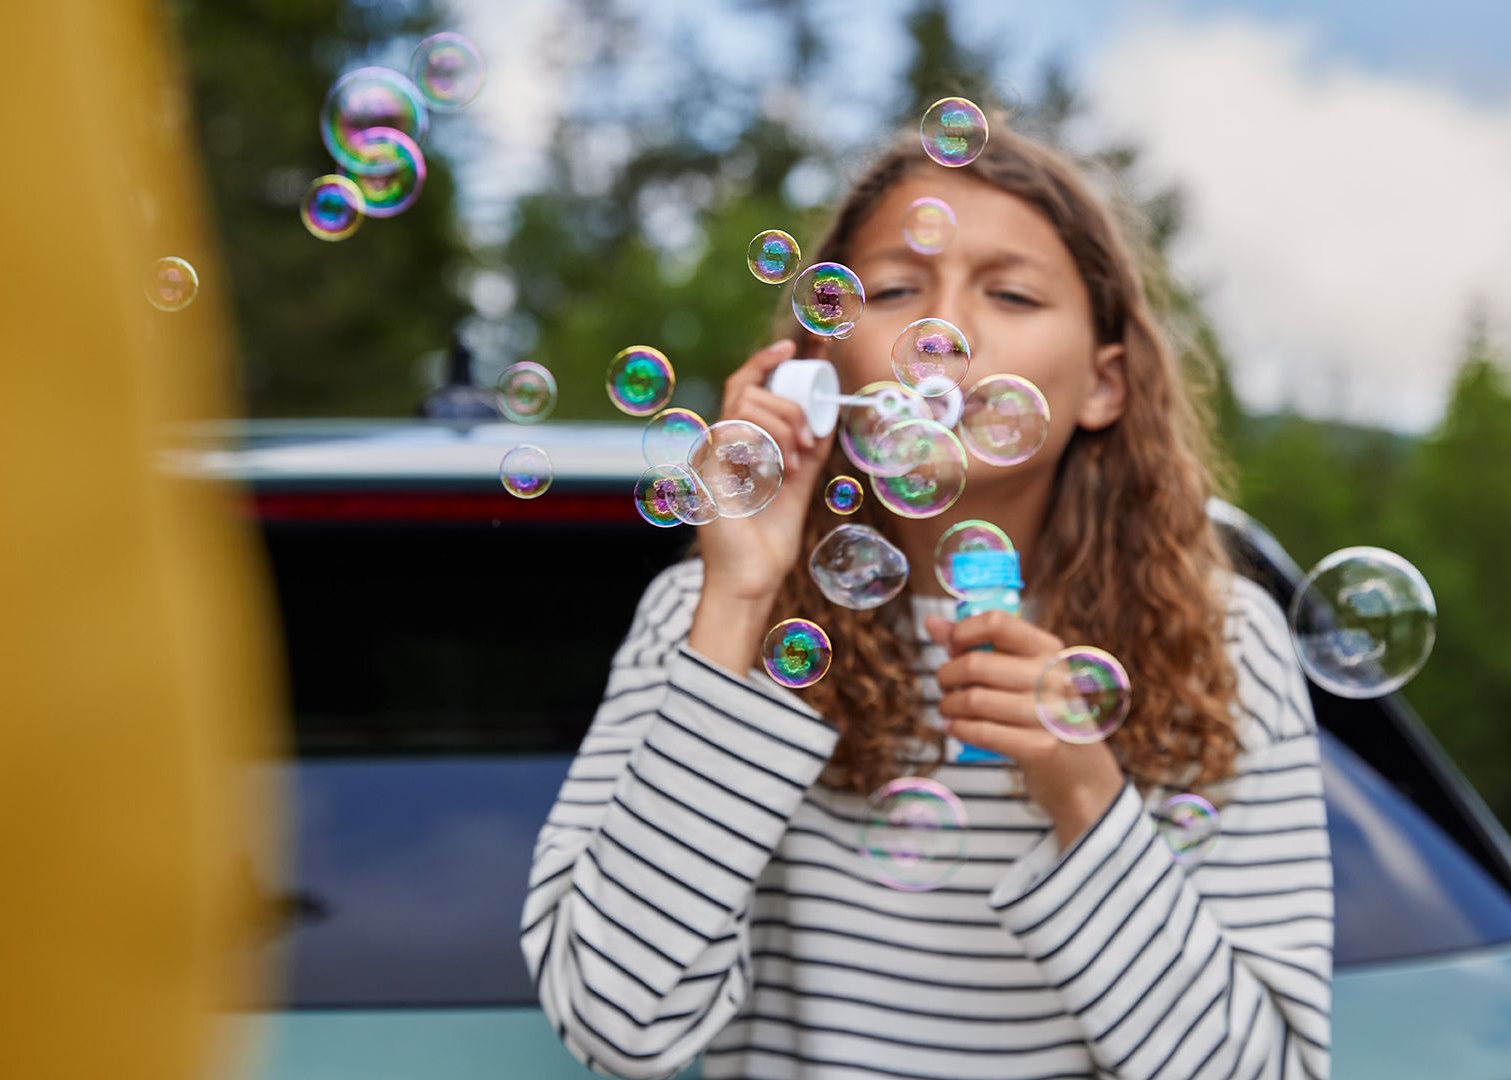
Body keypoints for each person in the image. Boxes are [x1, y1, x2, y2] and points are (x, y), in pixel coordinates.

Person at [520, 127, 1332, 1080]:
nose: (943, 339)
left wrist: (1083, 792)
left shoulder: (1228, 641)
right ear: (822, 368)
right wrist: (738, 594)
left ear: (1105, 383)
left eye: (1012, 294)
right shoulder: (708, 618)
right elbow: (615, 1021)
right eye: (897, 292)